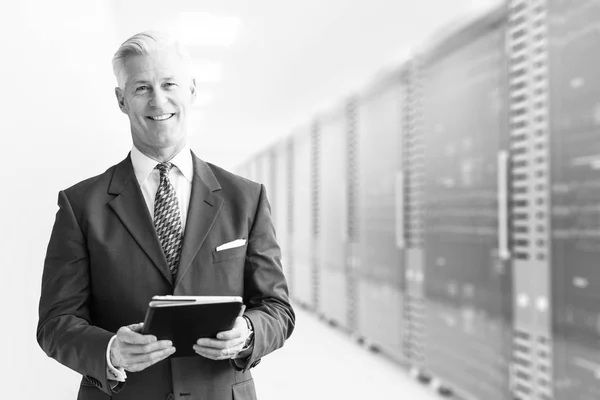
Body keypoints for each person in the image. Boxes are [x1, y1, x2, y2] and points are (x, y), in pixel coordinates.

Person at [36, 31, 295, 400]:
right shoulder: (81, 205)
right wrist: (110, 350)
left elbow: (277, 308)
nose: (158, 100)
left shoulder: (245, 198)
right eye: (141, 88)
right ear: (121, 100)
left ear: (191, 90)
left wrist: (248, 333)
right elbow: (55, 324)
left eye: (169, 84)